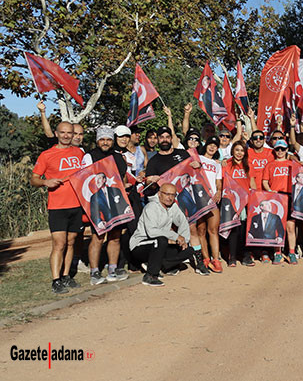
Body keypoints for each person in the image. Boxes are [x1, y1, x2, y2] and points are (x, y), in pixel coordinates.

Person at [143, 126, 209, 275]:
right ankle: (172, 264)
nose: (165, 139)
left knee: (192, 229)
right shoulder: (154, 161)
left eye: (167, 136)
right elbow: (149, 185)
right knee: (169, 232)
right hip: (167, 203)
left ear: (171, 139)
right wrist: (150, 180)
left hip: (185, 198)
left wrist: (197, 165)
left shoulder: (182, 153)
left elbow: (195, 170)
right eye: (162, 137)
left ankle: (199, 263)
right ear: (158, 139)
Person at [31, 121, 86, 294]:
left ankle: (66, 276)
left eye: (70, 132)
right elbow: (34, 179)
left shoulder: (79, 153)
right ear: (56, 133)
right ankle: (56, 280)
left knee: (71, 243)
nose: (66, 135)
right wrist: (45, 182)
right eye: (63, 132)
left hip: (76, 204)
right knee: (59, 244)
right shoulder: (47, 155)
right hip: (58, 206)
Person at [80, 126, 132, 285]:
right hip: (97, 202)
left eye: (108, 139)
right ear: (97, 140)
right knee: (98, 237)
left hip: (115, 201)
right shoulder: (89, 156)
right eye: (102, 139)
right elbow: (82, 179)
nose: (105, 142)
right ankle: (94, 272)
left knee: (115, 237)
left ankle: (112, 269)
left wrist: (125, 189)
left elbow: (122, 179)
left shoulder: (118, 157)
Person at [130, 183, 197, 287]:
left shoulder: (172, 207)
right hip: (141, 245)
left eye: (173, 195)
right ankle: (150, 276)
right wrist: (175, 236)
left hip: (160, 246)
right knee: (161, 240)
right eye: (167, 194)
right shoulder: (151, 207)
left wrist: (184, 240)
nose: (170, 198)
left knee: (189, 250)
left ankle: (162, 265)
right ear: (159, 194)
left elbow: (183, 222)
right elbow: (152, 232)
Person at [262, 139, 298, 264]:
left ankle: (292, 252)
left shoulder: (292, 164)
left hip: (289, 197)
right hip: (276, 198)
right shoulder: (270, 165)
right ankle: (277, 252)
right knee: (277, 227)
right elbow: (265, 181)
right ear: (275, 150)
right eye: (278, 149)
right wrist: (271, 191)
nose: (280, 151)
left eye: (283, 149)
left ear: (287, 149)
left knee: (290, 227)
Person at [222, 142, 251, 267]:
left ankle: (245, 256)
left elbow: (252, 183)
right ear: (232, 151)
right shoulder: (226, 164)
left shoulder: (248, 165)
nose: (239, 153)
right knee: (233, 229)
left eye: (242, 150)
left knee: (244, 229)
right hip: (231, 200)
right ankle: (232, 257)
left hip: (245, 201)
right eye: (237, 150)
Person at [197, 137, 224, 273]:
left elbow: (219, 181)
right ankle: (205, 258)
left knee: (213, 230)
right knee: (200, 230)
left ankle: (216, 259)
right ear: (205, 145)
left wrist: (219, 191)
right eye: (210, 144)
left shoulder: (217, 164)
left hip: (212, 199)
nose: (212, 147)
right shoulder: (198, 158)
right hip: (199, 198)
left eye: (215, 146)